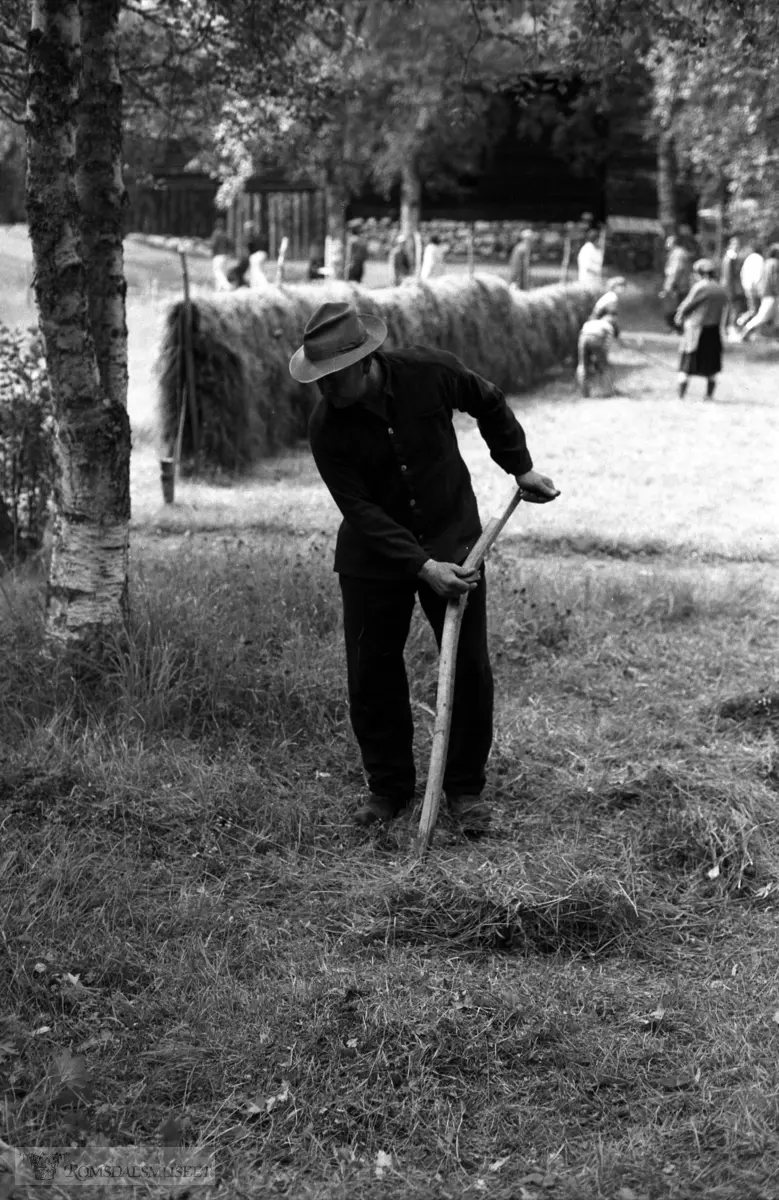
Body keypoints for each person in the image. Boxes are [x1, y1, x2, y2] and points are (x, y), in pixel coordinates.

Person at [289, 301, 560, 831]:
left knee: (467, 670)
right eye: (317, 379)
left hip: (454, 538)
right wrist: (420, 565)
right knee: (372, 673)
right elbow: (360, 510)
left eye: (332, 378)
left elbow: (488, 401)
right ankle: (388, 789)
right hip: (375, 555)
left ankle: (463, 790)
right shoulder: (326, 427)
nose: (323, 389)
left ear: (362, 363)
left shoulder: (429, 372)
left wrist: (520, 468)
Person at [674, 258, 728, 400]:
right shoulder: (720, 288)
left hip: (697, 331)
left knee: (687, 365)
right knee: (711, 366)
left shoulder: (701, 286)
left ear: (701, 273)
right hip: (714, 331)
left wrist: (679, 317)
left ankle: (681, 396)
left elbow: (688, 305)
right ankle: (709, 396)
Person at [739, 244, 779, 342]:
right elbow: (774, 280)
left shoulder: (767, 262)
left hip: (764, 292)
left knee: (773, 317)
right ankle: (745, 329)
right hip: (771, 294)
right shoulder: (774, 263)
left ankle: (773, 336)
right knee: (762, 316)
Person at [576, 312, 619, 397]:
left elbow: (582, 334)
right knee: (605, 366)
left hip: (583, 339)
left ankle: (585, 392)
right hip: (596, 339)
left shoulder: (590, 322)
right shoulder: (609, 326)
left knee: (583, 365)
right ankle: (607, 392)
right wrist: (601, 358)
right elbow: (607, 344)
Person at [660, 236, 692, 329]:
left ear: (673, 243)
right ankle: (678, 328)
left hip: (678, 286)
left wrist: (669, 285)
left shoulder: (678, 254)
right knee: (679, 307)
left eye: (668, 242)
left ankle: (678, 328)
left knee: (675, 308)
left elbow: (676, 270)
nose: (666, 245)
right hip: (681, 285)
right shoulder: (678, 252)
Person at [720, 236, 745, 334]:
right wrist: (732, 290)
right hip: (730, 288)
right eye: (735, 244)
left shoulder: (731, 257)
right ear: (730, 245)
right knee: (732, 308)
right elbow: (728, 276)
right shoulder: (730, 258)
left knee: (729, 308)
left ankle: (726, 329)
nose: (737, 246)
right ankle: (730, 328)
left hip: (730, 287)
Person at [738, 246, 764, 326]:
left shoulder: (748, 258)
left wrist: (744, 285)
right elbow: (760, 274)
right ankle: (742, 321)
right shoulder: (760, 259)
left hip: (747, 287)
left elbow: (742, 273)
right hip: (756, 288)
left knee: (752, 309)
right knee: (757, 310)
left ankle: (745, 323)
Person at [210, 215, 234, 291]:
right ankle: (219, 290)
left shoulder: (216, 234)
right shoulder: (225, 234)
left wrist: (212, 254)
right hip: (225, 256)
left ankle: (227, 286)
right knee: (222, 272)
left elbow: (213, 245)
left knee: (217, 272)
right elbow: (230, 244)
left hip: (218, 256)